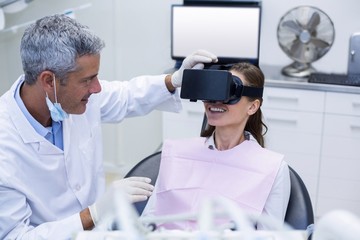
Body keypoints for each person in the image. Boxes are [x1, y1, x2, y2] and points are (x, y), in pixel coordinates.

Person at [0, 14, 218, 239]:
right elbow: (15, 236)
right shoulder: (5, 146)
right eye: (87, 80)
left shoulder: (68, 97)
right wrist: (92, 214)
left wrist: (174, 80)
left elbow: (127, 95)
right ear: (48, 81)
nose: (96, 88)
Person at [141, 62, 291, 230]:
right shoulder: (177, 154)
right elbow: (148, 221)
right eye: (213, 89)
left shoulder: (272, 169)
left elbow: (270, 236)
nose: (216, 101)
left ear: (253, 106)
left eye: (230, 91)